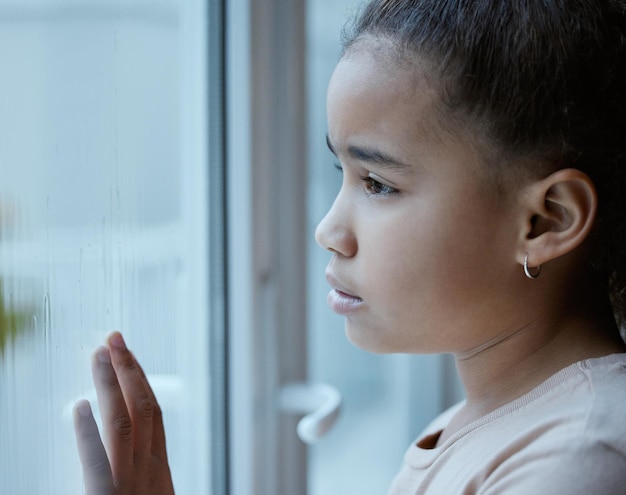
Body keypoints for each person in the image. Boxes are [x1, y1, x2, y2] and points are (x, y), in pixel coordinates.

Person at [73, 0, 626, 493]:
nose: (328, 230)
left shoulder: (578, 456)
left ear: (544, 221)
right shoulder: (483, 422)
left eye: (379, 184)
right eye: (342, 170)